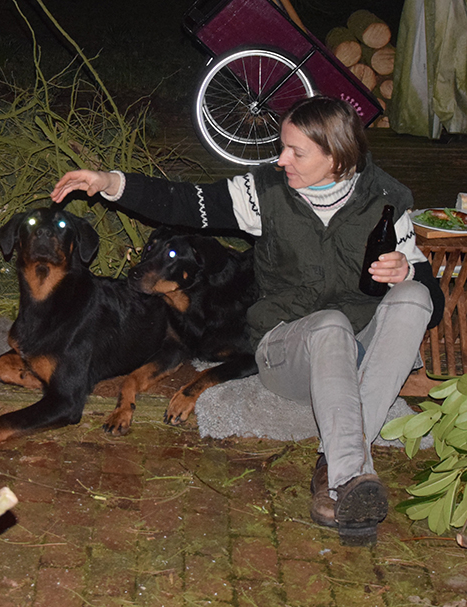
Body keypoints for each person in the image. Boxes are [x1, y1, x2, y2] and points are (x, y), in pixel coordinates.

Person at [51, 95, 444, 545]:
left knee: (413, 297)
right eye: (283, 146)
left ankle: (337, 470)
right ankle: (350, 473)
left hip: (360, 347)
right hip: (288, 351)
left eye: (297, 151)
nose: (282, 160)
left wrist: (406, 271)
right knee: (330, 322)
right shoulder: (267, 193)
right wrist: (111, 182)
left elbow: (433, 301)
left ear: (336, 157)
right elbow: (187, 201)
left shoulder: (386, 200)